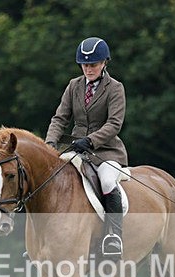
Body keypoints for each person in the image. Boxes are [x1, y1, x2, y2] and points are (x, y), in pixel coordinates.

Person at [45, 36, 127, 256]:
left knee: (108, 181)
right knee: (51, 179)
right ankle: (43, 240)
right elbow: (60, 118)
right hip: (76, 149)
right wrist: (49, 144)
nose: (88, 69)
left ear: (104, 63)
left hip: (106, 151)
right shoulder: (74, 86)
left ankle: (114, 236)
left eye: (93, 64)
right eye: (85, 65)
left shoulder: (115, 88)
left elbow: (114, 124)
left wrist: (91, 140)